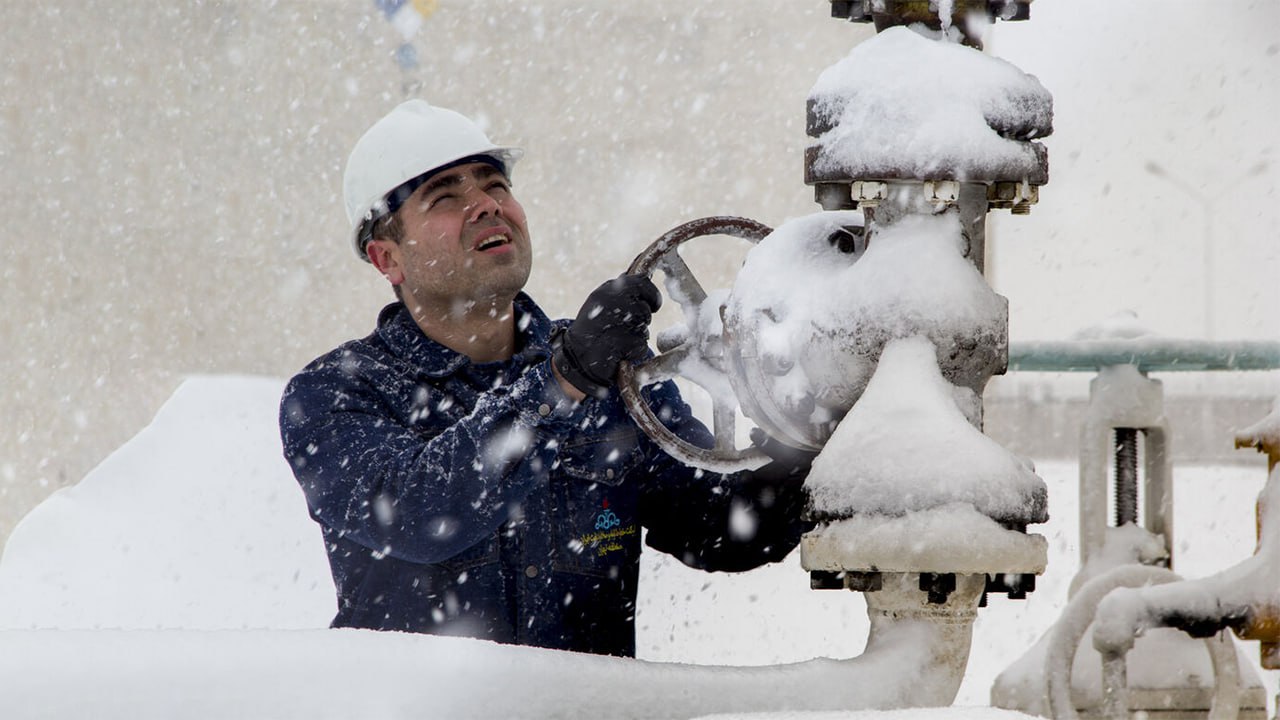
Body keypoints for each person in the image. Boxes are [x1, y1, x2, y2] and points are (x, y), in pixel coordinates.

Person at [279, 100, 812, 657]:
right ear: (388, 258)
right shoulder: (335, 395)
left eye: (495, 185)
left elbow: (725, 527)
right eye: (445, 197)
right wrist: (562, 382)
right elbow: (421, 513)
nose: (485, 206)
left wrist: (805, 421)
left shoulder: (613, 376)